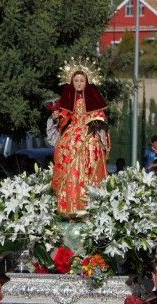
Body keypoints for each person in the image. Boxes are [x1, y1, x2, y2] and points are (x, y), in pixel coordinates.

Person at [52, 63, 110, 217]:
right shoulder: (69, 100)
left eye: (81, 81)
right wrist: (58, 117)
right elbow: (65, 116)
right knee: (64, 150)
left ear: (87, 82)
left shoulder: (93, 100)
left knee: (89, 157)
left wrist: (96, 122)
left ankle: (86, 201)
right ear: (72, 82)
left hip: (89, 134)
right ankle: (69, 202)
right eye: (76, 80)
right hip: (72, 133)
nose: (78, 83)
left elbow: (100, 116)